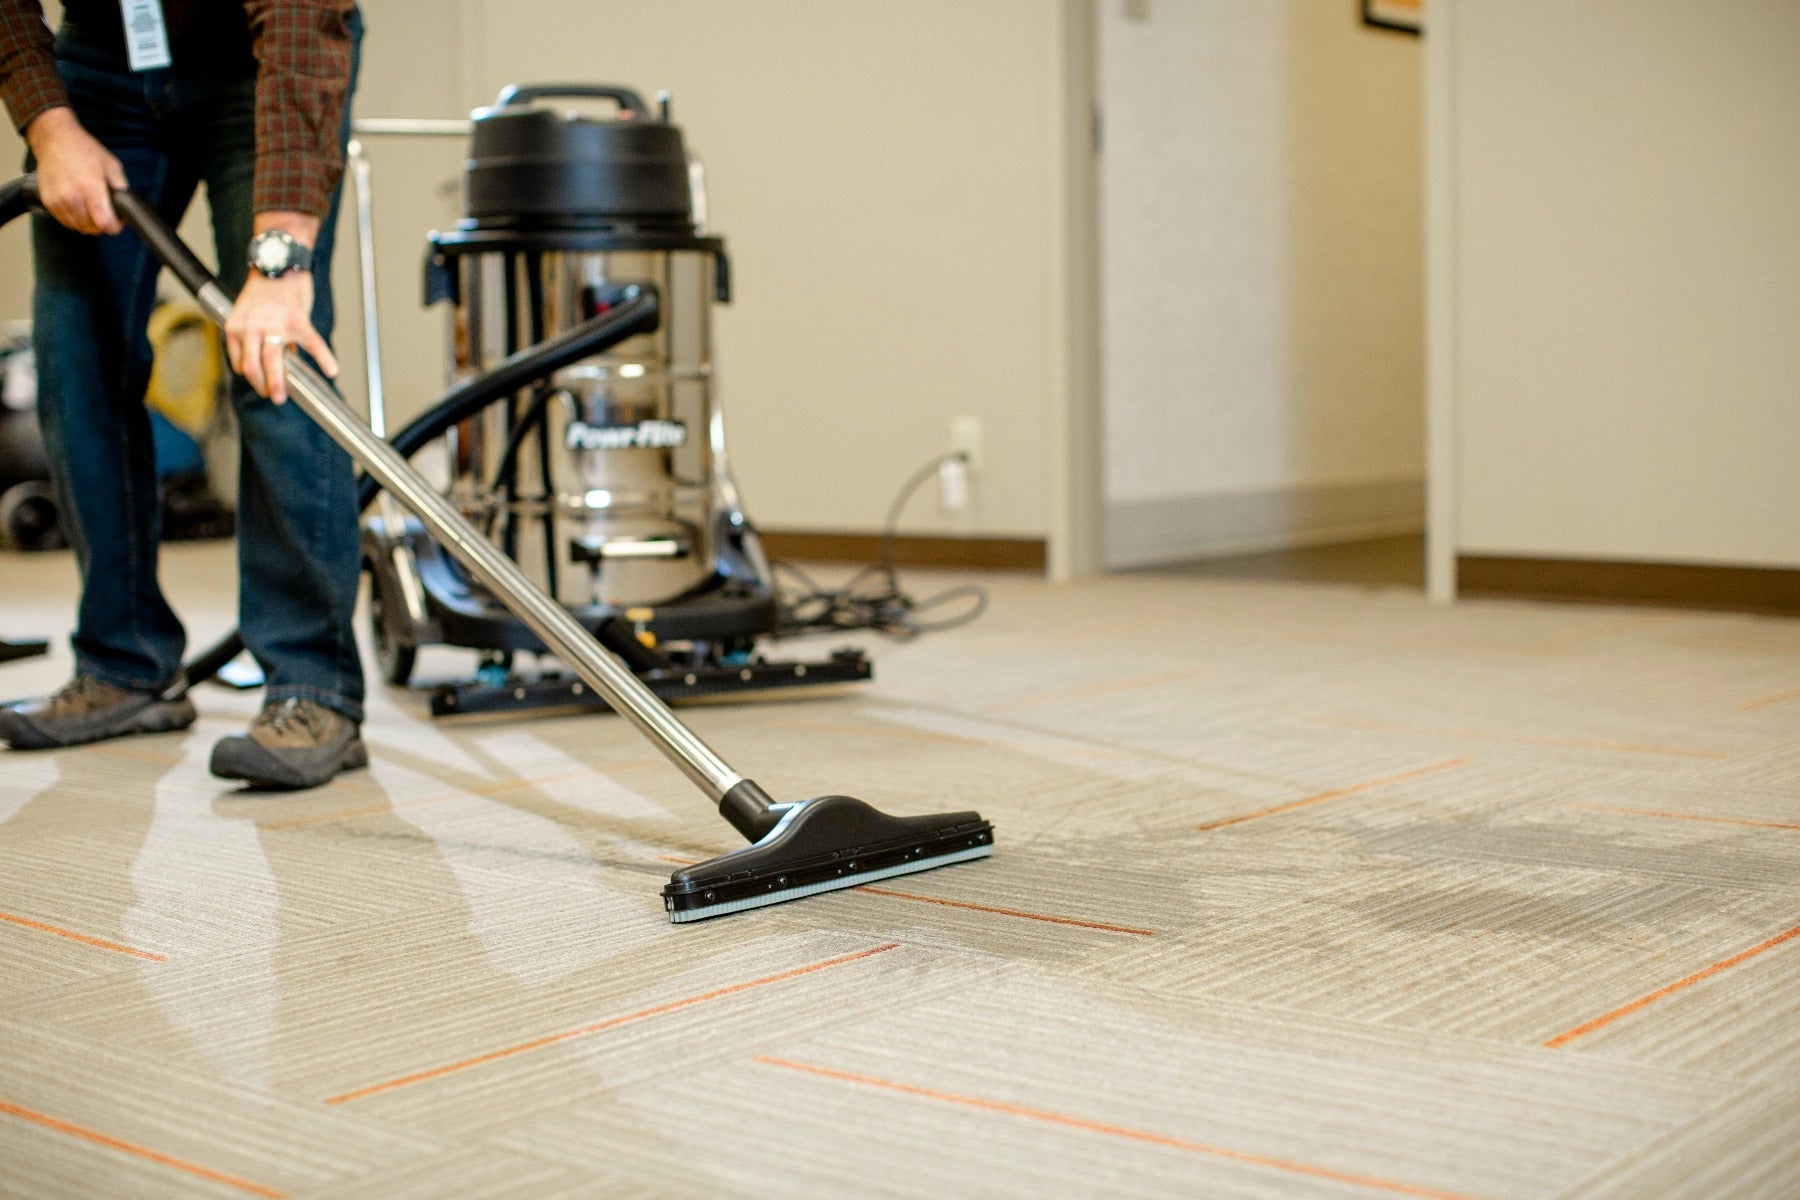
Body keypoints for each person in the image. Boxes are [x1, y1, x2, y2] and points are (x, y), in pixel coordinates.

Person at [0, 0, 367, 789]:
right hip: (99, 60)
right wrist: (48, 125)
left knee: (275, 363)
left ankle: (313, 684)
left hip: (261, 59)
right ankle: (123, 663)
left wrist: (278, 265)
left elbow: (304, 19)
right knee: (77, 358)